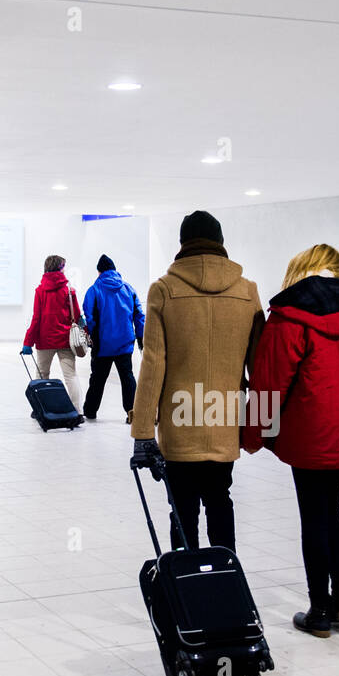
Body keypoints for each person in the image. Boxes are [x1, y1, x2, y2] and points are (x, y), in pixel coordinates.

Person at [244, 244, 339, 639]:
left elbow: (268, 380)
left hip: (308, 434)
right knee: (332, 510)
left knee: (314, 515)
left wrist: (253, 434)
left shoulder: (289, 315)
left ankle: (319, 609)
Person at [129, 211, 264, 552]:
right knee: (221, 499)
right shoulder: (248, 293)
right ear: (220, 242)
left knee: (182, 507)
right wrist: (265, 423)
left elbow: (153, 362)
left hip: (179, 420)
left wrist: (143, 431)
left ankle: (187, 586)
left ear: (182, 243)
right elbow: (261, 367)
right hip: (224, 418)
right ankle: (225, 579)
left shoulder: (163, 290)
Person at [82, 254, 145, 423]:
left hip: (103, 344)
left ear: (99, 271)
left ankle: (90, 411)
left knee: (97, 378)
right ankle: (132, 412)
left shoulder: (94, 290)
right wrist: (141, 337)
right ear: (115, 270)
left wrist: (92, 338)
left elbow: (89, 317)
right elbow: (139, 315)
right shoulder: (128, 289)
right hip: (125, 343)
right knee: (127, 376)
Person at [22, 255, 83, 409]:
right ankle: (77, 410)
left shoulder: (40, 291)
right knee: (71, 376)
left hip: (45, 341)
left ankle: (42, 408)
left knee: (42, 375)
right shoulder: (69, 290)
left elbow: (36, 319)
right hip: (65, 340)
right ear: (60, 268)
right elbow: (76, 316)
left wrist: (27, 342)